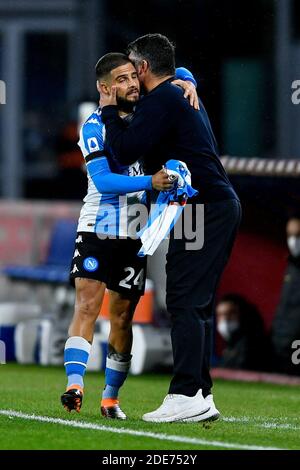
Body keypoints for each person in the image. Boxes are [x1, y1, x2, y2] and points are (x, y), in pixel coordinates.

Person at [100, 34, 241, 423]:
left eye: (132, 69)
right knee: (193, 301)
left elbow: (124, 151)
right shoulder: (176, 90)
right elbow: (178, 71)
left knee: (183, 299)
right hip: (203, 207)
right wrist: (188, 76)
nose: (128, 78)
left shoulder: (162, 98)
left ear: (144, 68)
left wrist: (109, 110)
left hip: (203, 208)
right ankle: (200, 393)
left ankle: (184, 393)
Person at [61, 52, 199, 419]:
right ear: (104, 89)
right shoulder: (93, 126)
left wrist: (189, 82)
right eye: (121, 80)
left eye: (132, 77)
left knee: (123, 318)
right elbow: (104, 180)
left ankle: (110, 398)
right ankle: (75, 383)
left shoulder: (146, 112)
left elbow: (179, 69)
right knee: (88, 306)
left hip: (136, 233)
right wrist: (149, 181)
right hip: (98, 228)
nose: (132, 84)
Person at [271, 214, 300, 375]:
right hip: (281, 342)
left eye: (298, 235)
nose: (294, 241)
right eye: (290, 235)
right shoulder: (291, 266)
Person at [216, 294, 269, 371]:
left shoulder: (252, 345)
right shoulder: (231, 345)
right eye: (220, 315)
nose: (225, 319)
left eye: (231, 313)